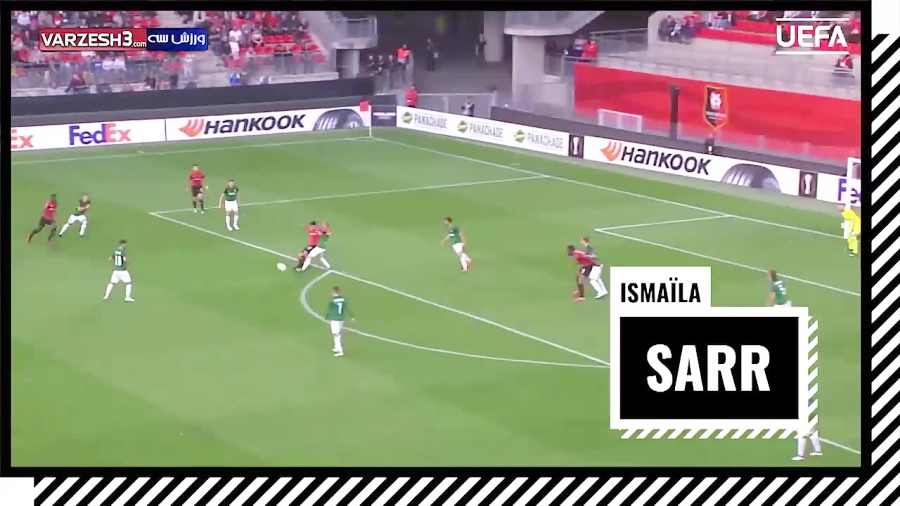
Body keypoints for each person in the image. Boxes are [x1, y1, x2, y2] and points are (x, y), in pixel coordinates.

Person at [326, 286, 354, 357]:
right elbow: (346, 309)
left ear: (333, 292)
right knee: (338, 334)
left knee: (336, 335)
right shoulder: (342, 300)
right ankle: (336, 347)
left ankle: (340, 351)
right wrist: (352, 317)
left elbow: (329, 311)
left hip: (335, 319)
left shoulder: (332, 301)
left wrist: (327, 318)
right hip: (341, 319)